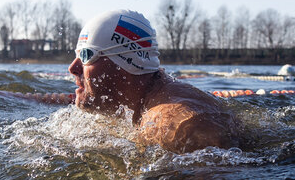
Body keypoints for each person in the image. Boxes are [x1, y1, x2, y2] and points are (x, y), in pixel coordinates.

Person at [67, 9, 240, 153]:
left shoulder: (178, 126)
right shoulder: (149, 101)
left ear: (126, 63)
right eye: (77, 54)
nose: (73, 67)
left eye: (86, 55)